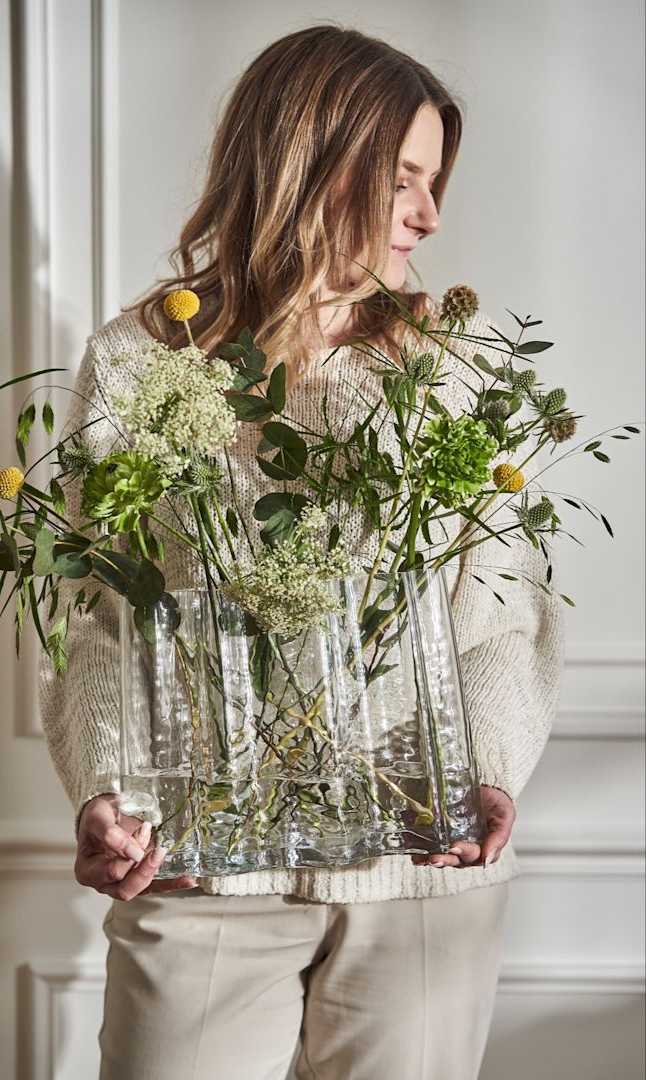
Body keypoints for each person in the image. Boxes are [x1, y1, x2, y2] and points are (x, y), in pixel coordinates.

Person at [39, 24, 564, 1080]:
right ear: (312, 165)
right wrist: (102, 789)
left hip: (423, 874)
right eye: (404, 177)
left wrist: (491, 772)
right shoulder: (139, 363)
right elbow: (94, 613)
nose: (429, 213)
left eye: (434, 180)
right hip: (199, 876)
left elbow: (501, 610)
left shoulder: (458, 373)